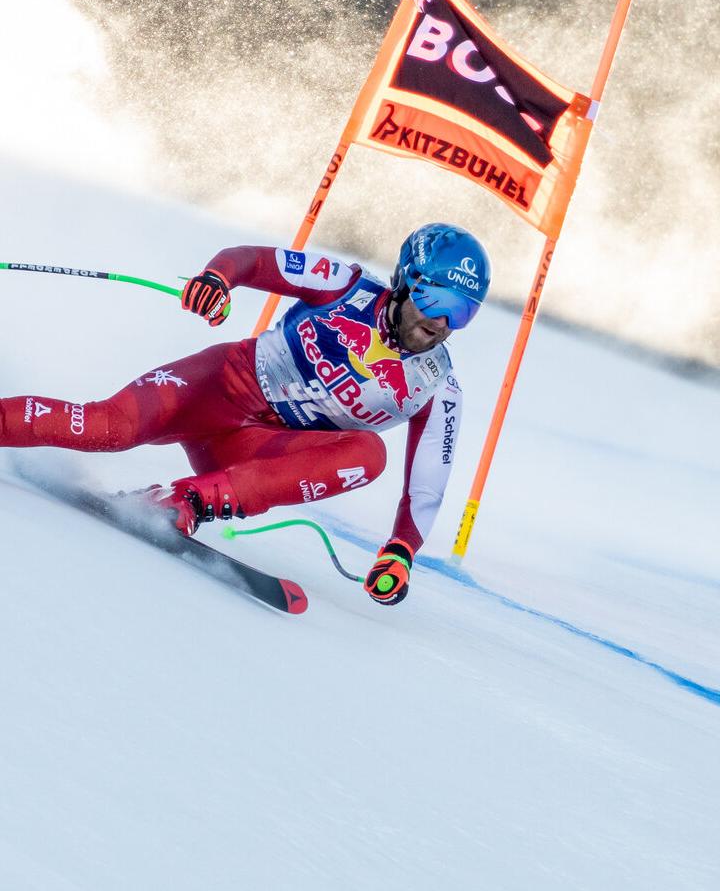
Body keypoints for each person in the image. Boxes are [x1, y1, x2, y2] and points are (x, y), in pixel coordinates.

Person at [0, 223, 490, 606]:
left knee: (368, 452)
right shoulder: (347, 285)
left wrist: (401, 551)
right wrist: (218, 279)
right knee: (108, 428)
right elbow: (254, 260)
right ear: (406, 281)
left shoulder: (438, 385)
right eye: (435, 299)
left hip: (249, 450)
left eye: (462, 313)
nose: (441, 324)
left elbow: (427, 484)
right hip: (215, 388)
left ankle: (182, 500)